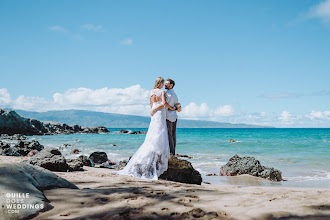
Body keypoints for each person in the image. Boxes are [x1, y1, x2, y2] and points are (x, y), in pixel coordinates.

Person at [113, 77, 174, 180]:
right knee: (160, 131)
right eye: (163, 83)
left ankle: (152, 151)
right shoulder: (162, 92)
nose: (164, 85)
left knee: (153, 132)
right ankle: (157, 153)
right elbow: (163, 104)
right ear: (160, 83)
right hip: (159, 113)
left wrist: (153, 110)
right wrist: (168, 108)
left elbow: (151, 104)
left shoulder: (151, 92)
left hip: (154, 114)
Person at [164, 79, 179, 155]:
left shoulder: (168, 94)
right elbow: (178, 105)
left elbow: (165, 104)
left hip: (168, 116)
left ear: (171, 85)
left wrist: (171, 108)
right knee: (173, 135)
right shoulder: (174, 94)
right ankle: (173, 152)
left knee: (169, 134)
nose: (165, 85)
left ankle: (171, 152)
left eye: (166, 84)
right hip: (174, 116)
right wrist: (175, 108)